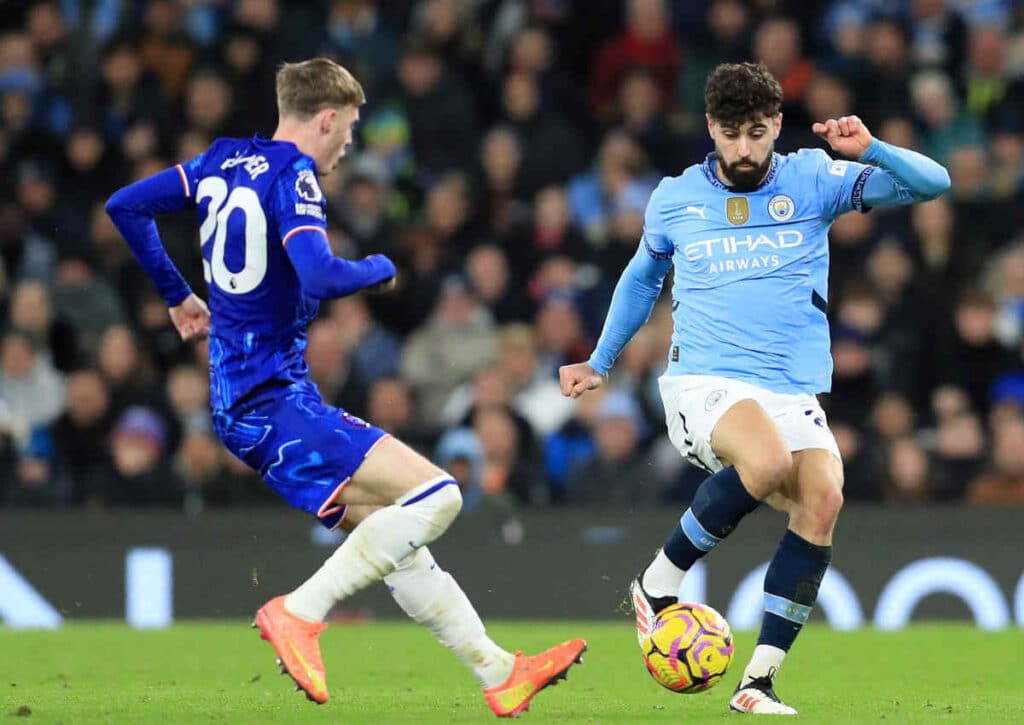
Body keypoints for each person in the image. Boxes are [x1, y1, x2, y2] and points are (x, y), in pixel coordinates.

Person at [106, 57, 584, 717]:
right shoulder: (294, 176)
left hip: (246, 399)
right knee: (437, 494)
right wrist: (381, 267)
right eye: (350, 128)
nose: (349, 144)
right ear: (326, 118)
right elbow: (322, 275)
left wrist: (176, 293)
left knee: (399, 537)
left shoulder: (220, 159)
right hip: (271, 397)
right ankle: (299, 612)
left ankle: (499, 670)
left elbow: (125, 206)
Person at [558, 62, 950, 715]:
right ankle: (657, 584)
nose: (745, 148)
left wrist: (871, 149)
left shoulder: (813, 179)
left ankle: (757, 682)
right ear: (711, 127)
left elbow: (931, 184)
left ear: (776, 127)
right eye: (732, 133)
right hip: (702, 378)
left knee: (823, 497)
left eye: (758, 133)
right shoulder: (675, 197)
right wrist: (599, 361)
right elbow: (639, 280)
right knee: (765, 463)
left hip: (788, 385)